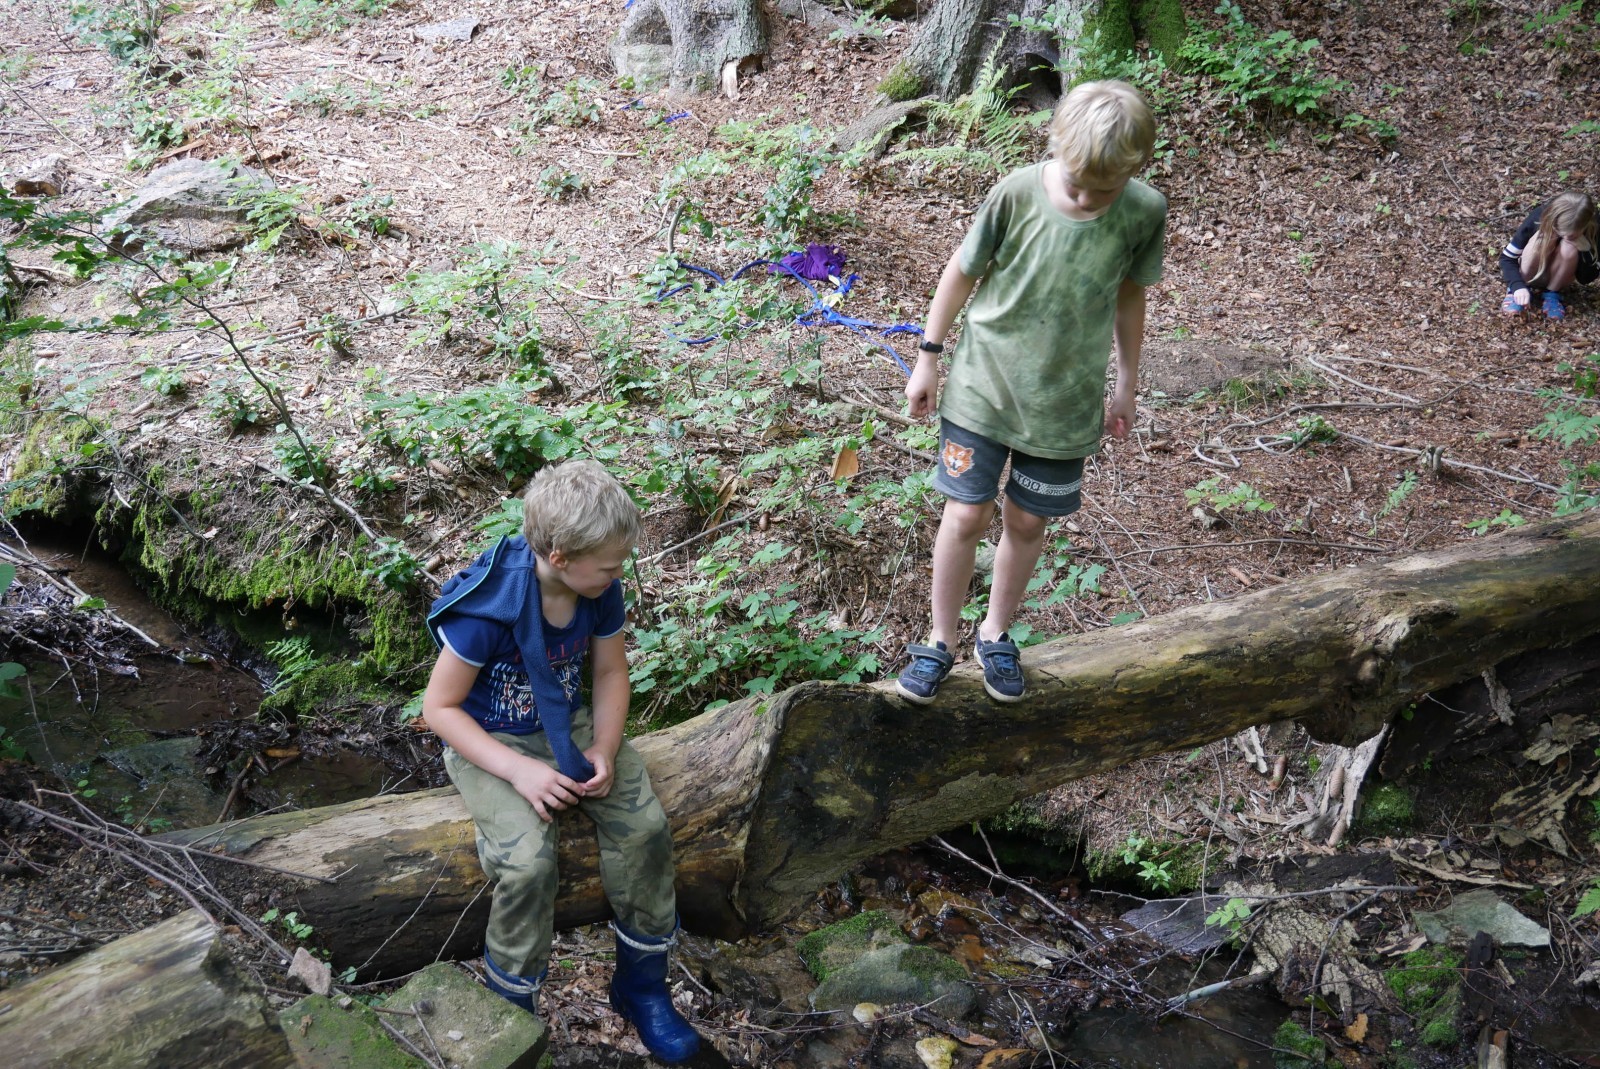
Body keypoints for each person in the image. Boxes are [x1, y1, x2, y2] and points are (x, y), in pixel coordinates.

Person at [895, 79, 1166, 705]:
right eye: (1077, 182)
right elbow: (961, 272)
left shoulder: (1144, 211)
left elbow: (1131, 296)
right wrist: (927, 359)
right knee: (966, 513)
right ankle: (939, 640)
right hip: (983, 386)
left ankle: (995, 634)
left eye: (1104, 190)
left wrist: (1126, 384)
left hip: (1063, 402)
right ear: (1056, 146)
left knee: (1026, 519)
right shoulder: (1016, 193)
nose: (1087, 198)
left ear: (1133, 171)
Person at [421, 458, 699, 1063]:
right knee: (527, 865)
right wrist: (518, 770)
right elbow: (439, 709)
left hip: (567, 726)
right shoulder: (489, 610)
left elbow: (610, 672)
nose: (619, 574)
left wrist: (604, 746)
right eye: (610, 566)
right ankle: (512, 1006)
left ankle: (642, 987)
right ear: (561, 556)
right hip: (491, 740)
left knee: (645, 830)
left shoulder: (597, 590)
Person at [1500, 191, 1597, 320]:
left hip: (1561, 274)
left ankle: (1552, 293)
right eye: (1559, 230)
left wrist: (1585, 249)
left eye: (1571, 235)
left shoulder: (1595, 226)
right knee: (1543, 238)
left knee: (1569, 247)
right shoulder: (1539, 216)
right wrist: (1517, 285)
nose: (1563, 236)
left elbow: (1586, 279)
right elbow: (1507, 258)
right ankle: (1518, 291)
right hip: (1531, 270)